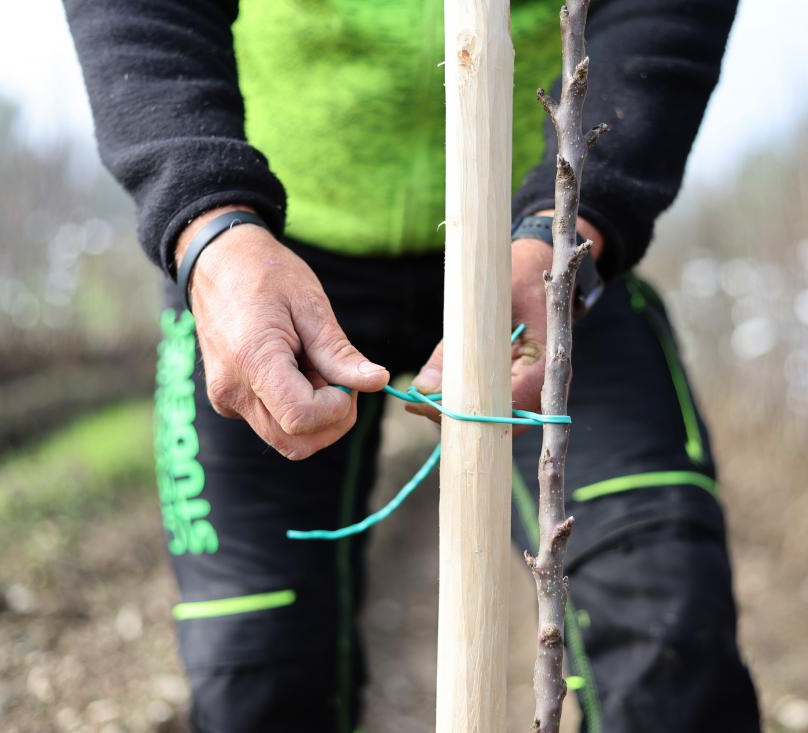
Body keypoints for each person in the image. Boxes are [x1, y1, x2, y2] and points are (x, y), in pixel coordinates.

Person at [65, 0, 759, 730]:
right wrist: (208, 223)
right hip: (267, 249)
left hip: (549, 243)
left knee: (671, 643)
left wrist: (571, 227)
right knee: (253, 671)